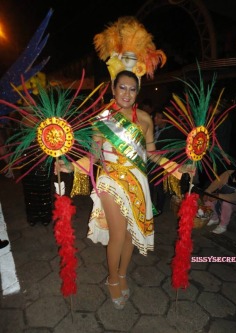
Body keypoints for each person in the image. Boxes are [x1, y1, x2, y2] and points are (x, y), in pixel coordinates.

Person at [55, 70, 189, 309]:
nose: (127, 93)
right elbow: (95, 155)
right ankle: (112, 279)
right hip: (110, 181)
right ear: (113, 89)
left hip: (137, 182)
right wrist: (70, 165)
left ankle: (123, 273)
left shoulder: (146, 118)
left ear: (137, 92)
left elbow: (152, 154)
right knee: (118, 233)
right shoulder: (103, 118)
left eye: (132, 88)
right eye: (122, 88)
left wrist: (179, 169)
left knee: (128, 234)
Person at [204, 161, 236, 234]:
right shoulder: (229, 173)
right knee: (208, 199)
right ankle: (214, 218)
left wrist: (218, 196)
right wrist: (208, 191)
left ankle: (223, 225)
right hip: (222, 195)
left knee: (226, 203)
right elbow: (217, 182)